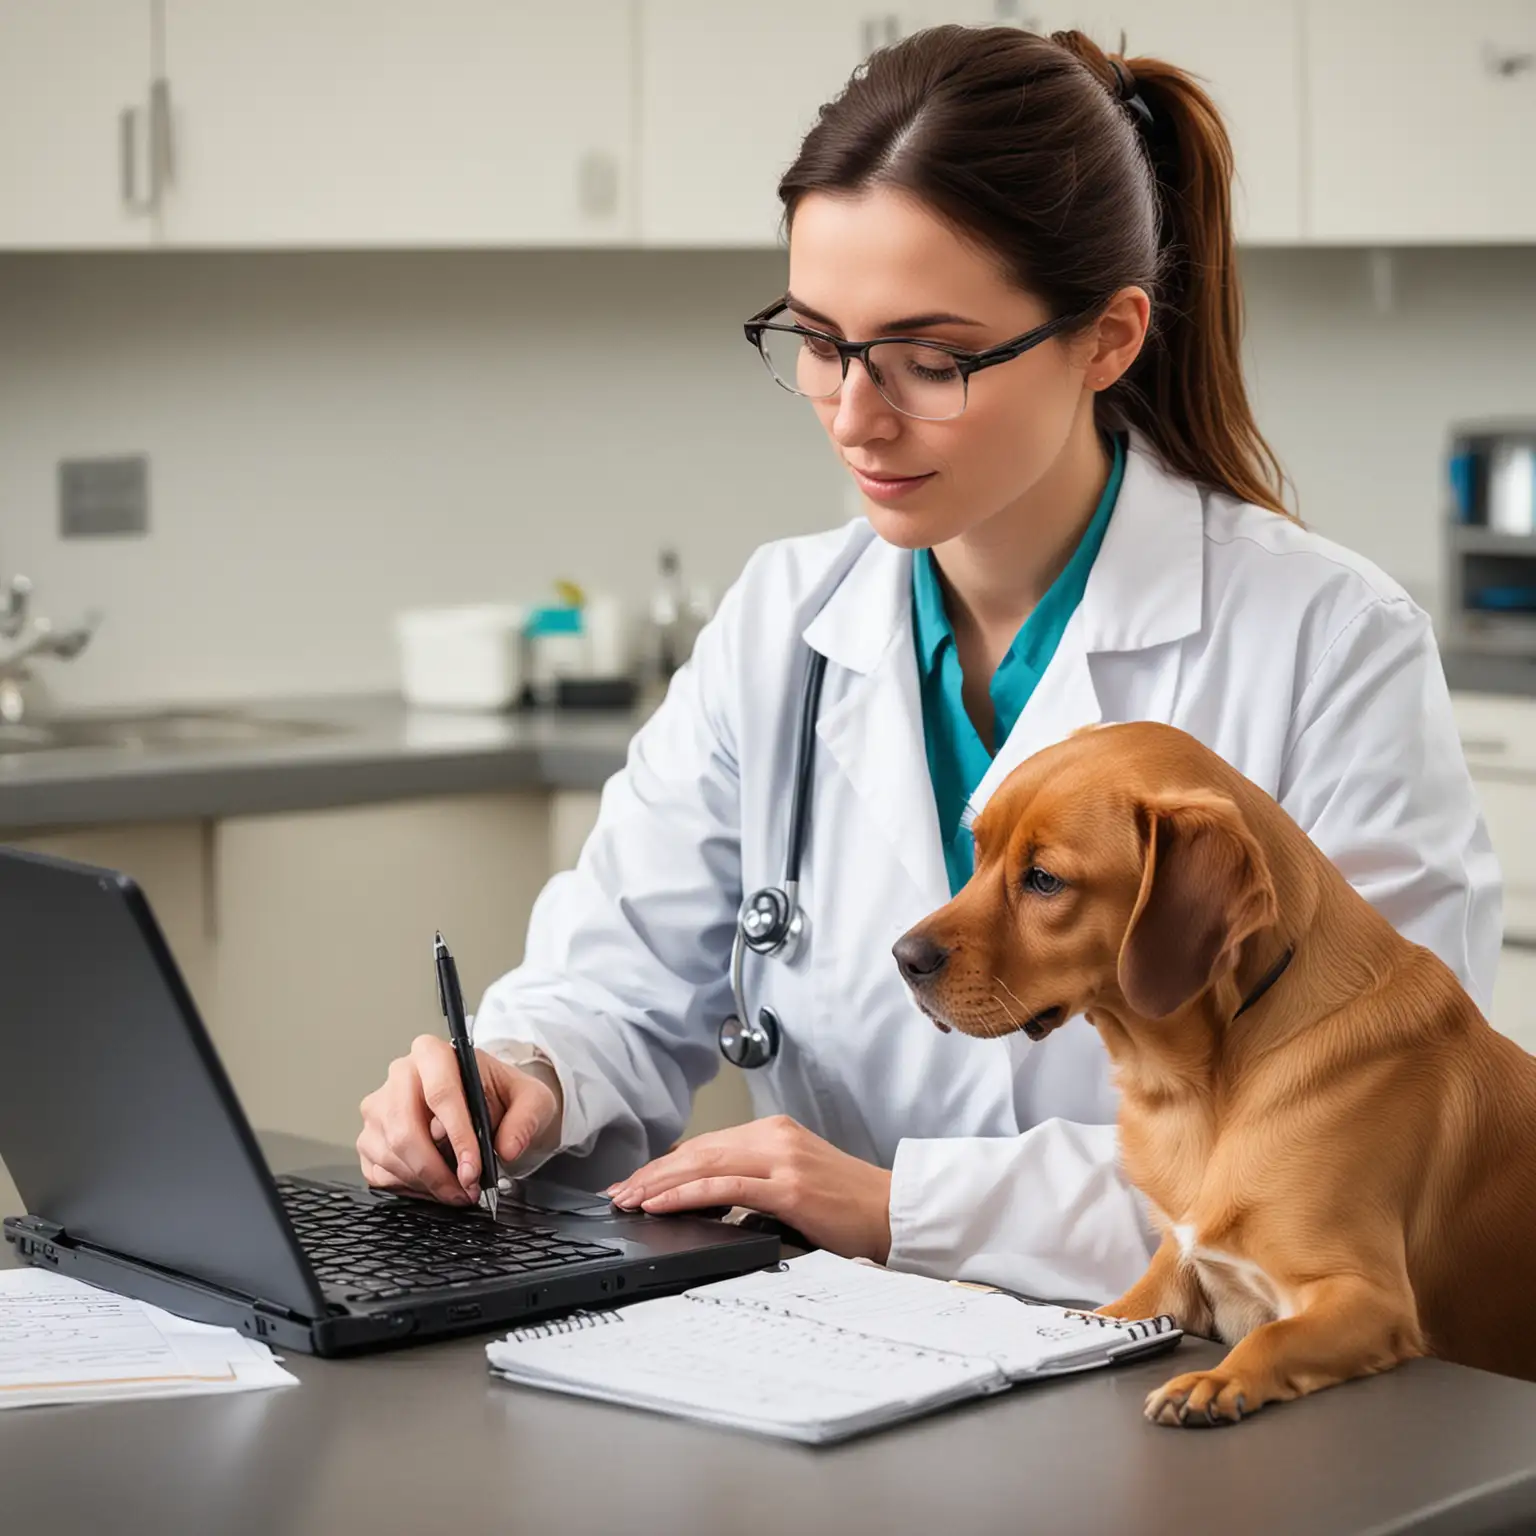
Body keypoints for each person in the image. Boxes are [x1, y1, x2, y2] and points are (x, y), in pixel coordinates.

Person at [356, 25, 1500, 1304]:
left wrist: (907, 1208)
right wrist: (521, 1076)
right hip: (835, 1364)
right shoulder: (783, 617)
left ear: (1110, 339)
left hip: (1203, 1386)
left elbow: (1370, 1133)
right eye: (821, 342)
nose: (855, 413)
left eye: (930, 359)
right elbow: (616, 978)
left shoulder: (1323, 642)